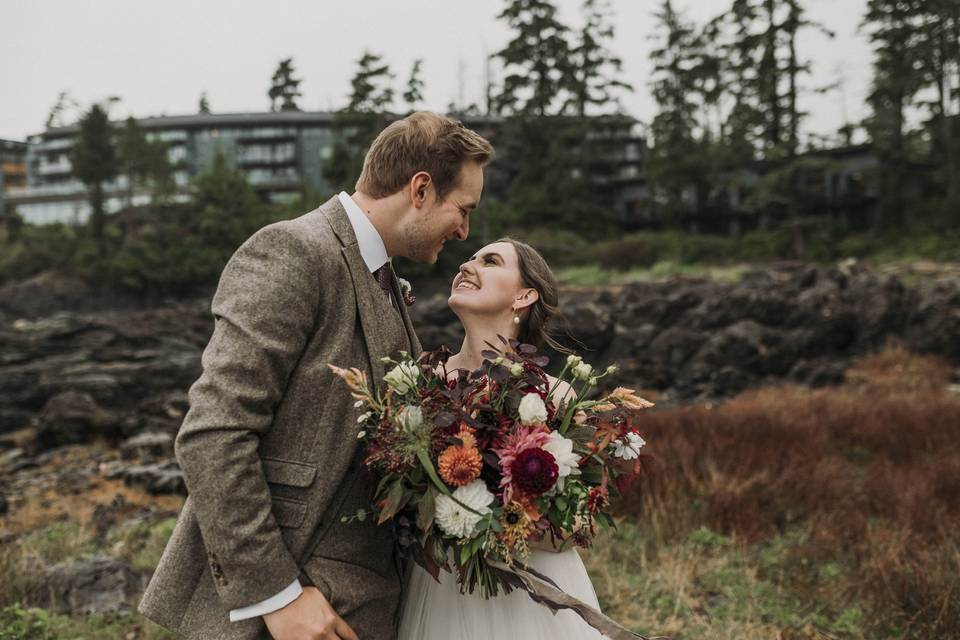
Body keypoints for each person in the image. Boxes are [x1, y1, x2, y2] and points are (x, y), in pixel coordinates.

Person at [138, 111, 494, 640]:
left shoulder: (385, 280)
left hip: (364, 600)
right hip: (295, 609)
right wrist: (277, 596)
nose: (465, 230)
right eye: (462, 209)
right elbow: (213, 433)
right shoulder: (295, 251)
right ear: (420, 189)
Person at [397, 239, 605, 640]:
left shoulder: (553, 396)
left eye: (489, 261)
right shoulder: (422, 385)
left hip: (531, 596)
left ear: (524, 296)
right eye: (469, 258)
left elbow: (582, 524)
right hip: (441, 589)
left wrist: (489, 521)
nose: (467, 265)